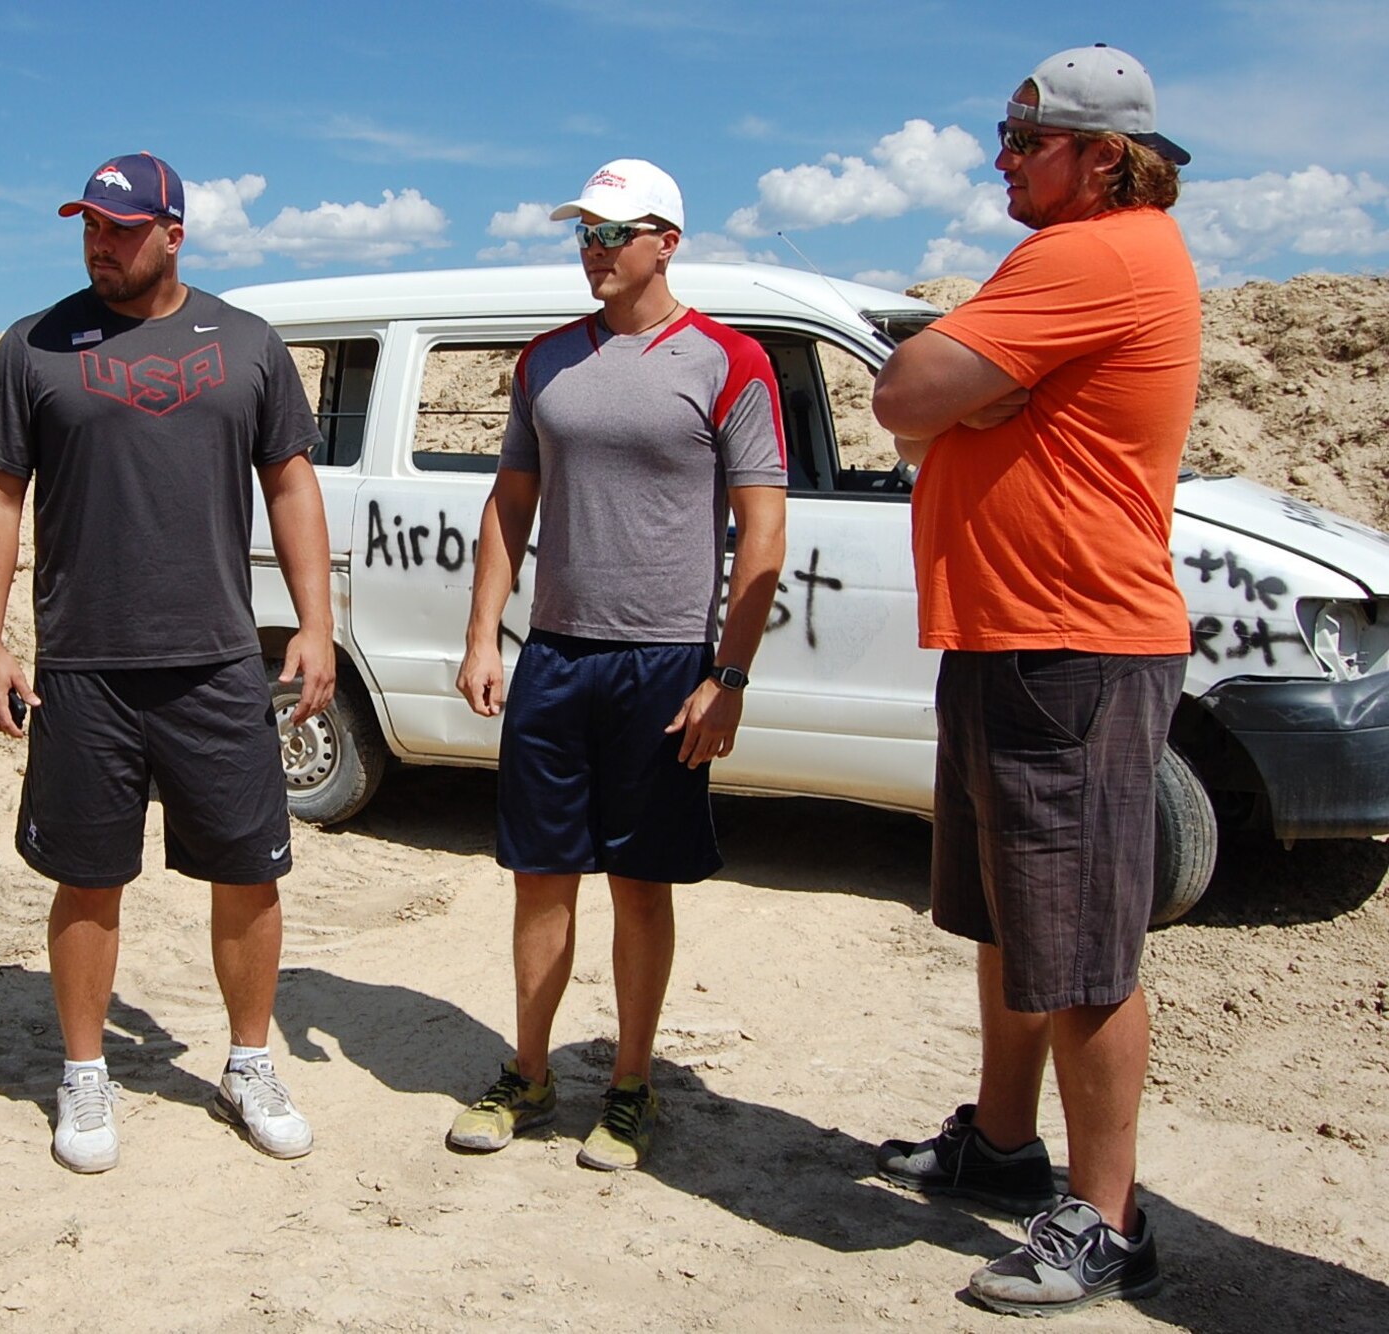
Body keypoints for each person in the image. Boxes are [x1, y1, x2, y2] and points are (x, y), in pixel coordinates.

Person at [870, 45, 1199, 1317]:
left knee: (1080, 941)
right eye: (1000, 135)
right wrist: (972, 404)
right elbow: (924, 407)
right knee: (1017, 921)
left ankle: (1105, 1217)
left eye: (1023, 141)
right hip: (1021, 633)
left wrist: (965, 398)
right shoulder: (1094, 257)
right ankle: (1003, 1143)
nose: (999, 158)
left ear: (1100, 156)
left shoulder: (1086, 256)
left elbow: (901, 389)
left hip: (1071, 638)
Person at [0, 152, 335, 1173]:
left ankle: (247, 1061)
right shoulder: (34, 346)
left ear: (174, 230)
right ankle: (84, 1071)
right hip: (82, 664)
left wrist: (313, 620)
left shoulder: (247, 344)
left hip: (214, 660)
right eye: (88, 224)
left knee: (249, 875)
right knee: (87, 880)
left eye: (121, 227)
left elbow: (291, 484)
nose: (99, 242)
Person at [449, 159, 788, 1172]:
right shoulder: (545, 361)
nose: (592, 250)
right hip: (555, 657)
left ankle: (631, 1083)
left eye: (612, 232)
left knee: (641, 883)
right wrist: (482, 635)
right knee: (538, 876)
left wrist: (724, 677)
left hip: (663, 664)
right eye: (583, 232)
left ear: (665, 242)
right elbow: (509, 505)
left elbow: (761, 533)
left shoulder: (728, 361)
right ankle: (529, 1069)